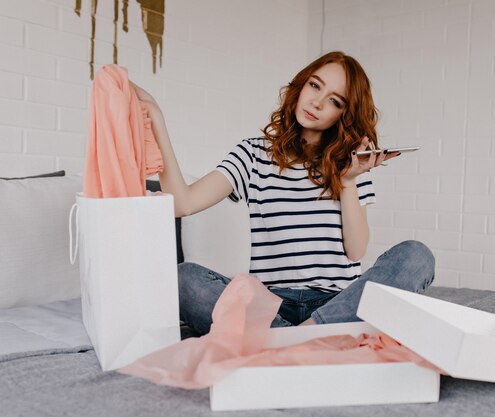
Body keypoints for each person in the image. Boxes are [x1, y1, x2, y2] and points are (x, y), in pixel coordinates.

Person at [132, 51, 435, 335]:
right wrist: (156, 119)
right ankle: (312, 342)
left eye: (335, 101)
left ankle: (294, 340)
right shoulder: (252, 154)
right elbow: (182, 203)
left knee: (417, 255)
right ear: (301, 86)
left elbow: (356, 252)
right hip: (267, 307)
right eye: (314, 86)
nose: (317, 102)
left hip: (335, 305)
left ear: (344, 115)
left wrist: (347, 181)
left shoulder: (352, 165)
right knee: (184, 279)